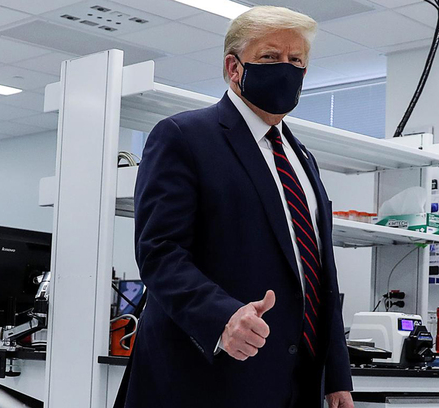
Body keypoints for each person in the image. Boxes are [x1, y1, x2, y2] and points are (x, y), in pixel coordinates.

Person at [120, 6, 354, 408]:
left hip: (296, 385)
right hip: (205, 381)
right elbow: (160, 253)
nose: (286, 69)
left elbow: (318, 272)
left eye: (296, 60)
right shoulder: (183, 137)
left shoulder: (303, 159)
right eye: (270, 57)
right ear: (234, 67)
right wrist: (222, 316)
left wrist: (336, 377)